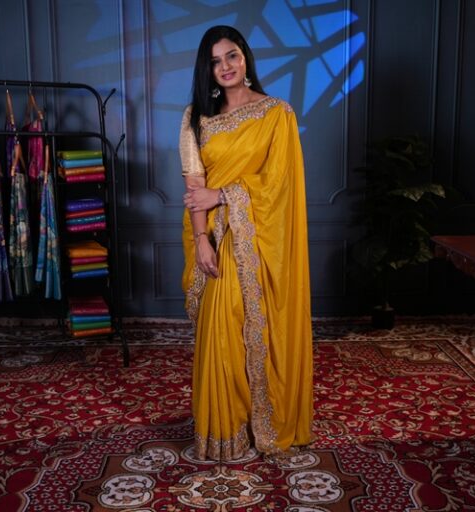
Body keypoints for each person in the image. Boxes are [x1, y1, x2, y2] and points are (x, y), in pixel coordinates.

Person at [178, 25, 314, 461]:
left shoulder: (277, 114)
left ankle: (264, 422)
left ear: (245, 58)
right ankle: (226, 430)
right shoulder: (196, 118)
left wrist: (222, 195)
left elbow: (279, 187)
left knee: (248, 329)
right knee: (218, 333)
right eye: (215, 61)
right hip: (215, 237)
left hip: (255, 239)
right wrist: (202, 239)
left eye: (232, 56)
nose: (225, 67)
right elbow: (194, 187)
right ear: (207, 70)